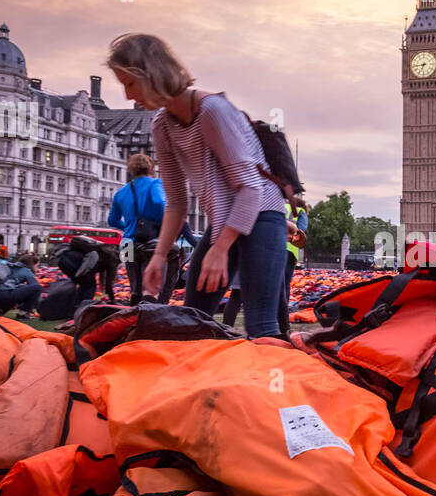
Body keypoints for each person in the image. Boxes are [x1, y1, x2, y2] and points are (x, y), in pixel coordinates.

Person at [107, 33, 287, 338]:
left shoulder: (213, 112)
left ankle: (277, 381)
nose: (127, 96)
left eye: (129, 83)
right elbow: (176, 202)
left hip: (261, 216)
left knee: (261, 325)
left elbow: (251, 189)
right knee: (194, 320)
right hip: (223, 223)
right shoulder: (161, 125)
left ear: (151, 74)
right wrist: (160, 256)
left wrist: (220, 248)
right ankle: (208, 384)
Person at [109, 153, 180, 305]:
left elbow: (112, 220)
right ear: (150, 168)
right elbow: (160, 202)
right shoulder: (155, 184)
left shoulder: (120, 192)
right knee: (152, 288)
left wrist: (129, 227)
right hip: (152, 242)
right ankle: (151, 319)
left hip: (127, 244)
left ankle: (134, 319)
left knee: (135, 288)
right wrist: (165, 226)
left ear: (131, 170)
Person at [278, 200, 308, 336]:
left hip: (272, 246)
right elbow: (301, 232)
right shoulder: (301, 212)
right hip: (289, 251)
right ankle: (283, 323)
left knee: (273, 284)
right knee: (284, 287)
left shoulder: (279, 206)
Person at [0, 253, 43, 319]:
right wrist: (41, 309)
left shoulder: (9, 266)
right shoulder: (26, 270)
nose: (37, 268)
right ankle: (23, 313)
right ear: (33, 264)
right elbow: (35, 286)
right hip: (3, 296)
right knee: (37, 288)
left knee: (16, 290)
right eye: (37, 266)